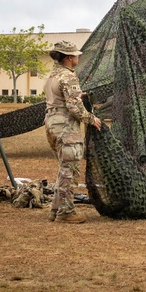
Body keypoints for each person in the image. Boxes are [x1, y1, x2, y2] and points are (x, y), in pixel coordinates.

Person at [43, 40, 102, 224]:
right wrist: (92, 119)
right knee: (70, 170)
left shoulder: (52, 76)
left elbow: (63, 98)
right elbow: (74, 108)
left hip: (52, 123)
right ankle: (66, 213)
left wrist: (79, 96)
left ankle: (56, 210)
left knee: (64, 169)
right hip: (66, 127)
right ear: (69, 58)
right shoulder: (69, 77)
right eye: (76, 55)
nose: (78, 57)